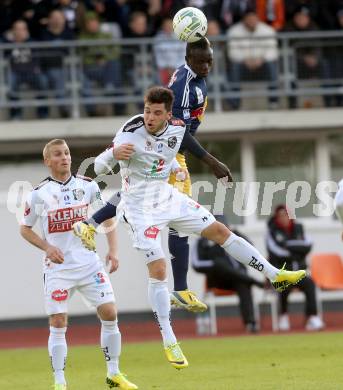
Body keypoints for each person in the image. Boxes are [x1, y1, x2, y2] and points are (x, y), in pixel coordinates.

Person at [74, 86, 306, 368]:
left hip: (167, 196)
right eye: (147, 110)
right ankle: (170, 339)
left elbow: (165, 154)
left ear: (168, 114)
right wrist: (111, 155)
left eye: (156, 113)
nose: (149, 117)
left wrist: (178, 168)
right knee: (159, 268)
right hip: (137, 207)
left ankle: (274, 275)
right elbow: (98, 167)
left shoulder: (177, 130)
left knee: (221, 231)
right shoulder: (130, 130)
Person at [75, 38, 231, 314]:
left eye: (209, 61)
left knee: (143, 191)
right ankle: (181, 289)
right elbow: (178, 131)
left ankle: (90, 223)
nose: (206, 66)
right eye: (200, 61)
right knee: (176, 219)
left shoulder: (194, 78)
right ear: (188, 58)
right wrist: (210, 161)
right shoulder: (183, 86)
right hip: (174, 149)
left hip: (170, 151)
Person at [20, 139, 137, 390]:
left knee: (110, 313)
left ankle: (114, 374)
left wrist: (113, 250)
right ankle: (60, 381)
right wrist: (48, 248)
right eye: (58, 154)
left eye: (67, 153)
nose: (65, 158)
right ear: (47, 161)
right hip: (58, 269)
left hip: (89, 264)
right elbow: (25, 229)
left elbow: (107, 217)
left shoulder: (88, 186)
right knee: (59, 321)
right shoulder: (38, 194)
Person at [192, 215, 265, 333]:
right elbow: (196, 264)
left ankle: (250, 323)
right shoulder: (203, 240)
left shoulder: (234, 236)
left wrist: (236, 234)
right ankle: (253, 281)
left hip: (237, 280)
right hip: (217, 280)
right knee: (221, 264)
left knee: (243, 285)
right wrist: (215, 264)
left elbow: (251, 249)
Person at [266, 204, 324, 331]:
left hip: (300, 272)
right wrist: (297, 250)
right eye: (280, 216)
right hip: (283, 272)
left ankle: (312, 317)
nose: (283, 218)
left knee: (310, 284)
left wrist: (287, 245)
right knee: (283, 285)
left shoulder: (299, 228)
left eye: (285, 215)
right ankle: (283, 315)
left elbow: (308, 245)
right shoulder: (271, 231)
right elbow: (276, 251)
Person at [227, 8, 279, 110]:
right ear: (244, 20)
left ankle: (273, 101)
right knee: (234, 67)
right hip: (243, 66)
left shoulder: (268, 30)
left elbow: (273, 51)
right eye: (249, 19)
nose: (251, 21)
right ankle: (235, 104)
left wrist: (261, 60)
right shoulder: (234, 31)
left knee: (272, 65)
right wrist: (245, 60)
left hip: (262, 65)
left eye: (254, 19)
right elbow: (232, 53)